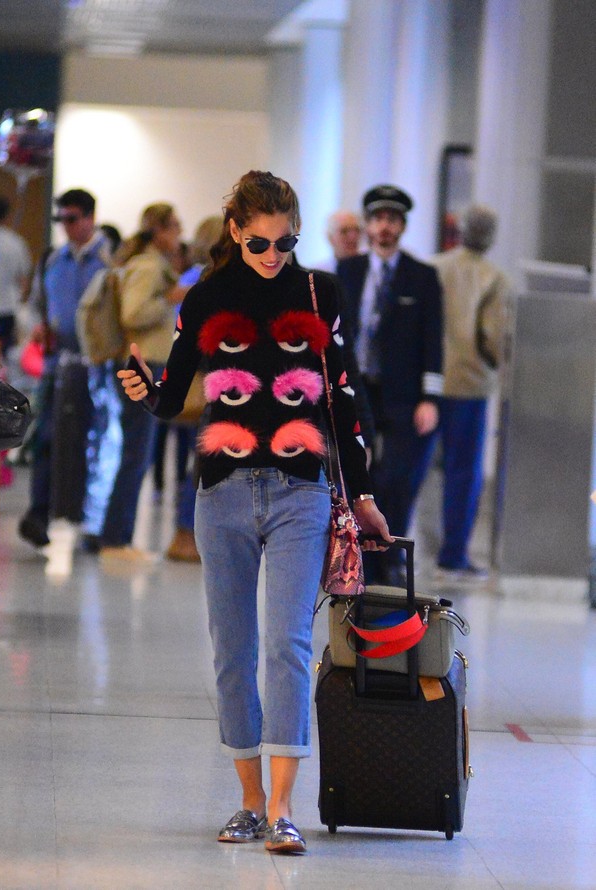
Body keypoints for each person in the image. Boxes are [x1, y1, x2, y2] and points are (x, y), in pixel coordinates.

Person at [118, 170, 390, 854]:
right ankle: (246, 801)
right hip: (223, 491)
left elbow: (343, 397)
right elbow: (173, 391)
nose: (274, 254)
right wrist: (144, 390)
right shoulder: (207, 296)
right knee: (233, 652)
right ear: (236, 231)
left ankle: (282, 807)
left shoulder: (318, 291)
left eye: (287, 241)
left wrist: (362, 494)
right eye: (262, 241)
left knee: (287, 646)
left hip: (300, 489)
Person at [337, 184, 443, 586]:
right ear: (367, 225)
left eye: (393, 220)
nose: (385, 227)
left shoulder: (423, 277)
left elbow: (434, 341)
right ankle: (353, 554)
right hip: (355, 387)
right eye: (378, 219)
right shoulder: (346, 271)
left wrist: (430, 397)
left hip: (401, 395)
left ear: (402, 226)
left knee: (396, 478)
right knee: (355, 474)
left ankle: (388, 556)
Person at [18, 188, 112, 549]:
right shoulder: (53, 262)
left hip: (97, 368)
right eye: (60, 220)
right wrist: (39, 328)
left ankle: (90, 520)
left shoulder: (108, 263)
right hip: (58, 366)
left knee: (95, 444)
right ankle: (38, 514)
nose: (66, 227)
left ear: (90, 218)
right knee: (45, 438)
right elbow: (35, 307)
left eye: (72, 219)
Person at [98, 203, 185, 562]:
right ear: (160, 230)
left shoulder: (150, 265)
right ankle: (116, 539)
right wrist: (168, 299)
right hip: (142, 365)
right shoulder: (149, 267)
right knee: (137, 455)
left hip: (145, 364)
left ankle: (116, 535)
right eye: (175, 227)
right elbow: (133, 312)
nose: (179, 236)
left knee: (136, 454)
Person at [430, 204, 508, 580]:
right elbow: (494, 336)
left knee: (421, 469)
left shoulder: (434, 267)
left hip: (430, 384)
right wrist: (497, 362)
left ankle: (405, 549)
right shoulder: (493, 278)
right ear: (490, 236)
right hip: (471, 385)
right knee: (464, 472)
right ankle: (453, 554)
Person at [163, 215, 223, 563]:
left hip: (193, 379)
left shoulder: (191, 277)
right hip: (204, 380)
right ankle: (186, 532)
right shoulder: (205, 281)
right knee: (198, 464)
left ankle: (186, 531)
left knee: (192, 462)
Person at [0, 195, 32, 356]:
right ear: (7, 215)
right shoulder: (16, 243)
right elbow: (24, 282)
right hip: (8, 309)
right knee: (2, 360)